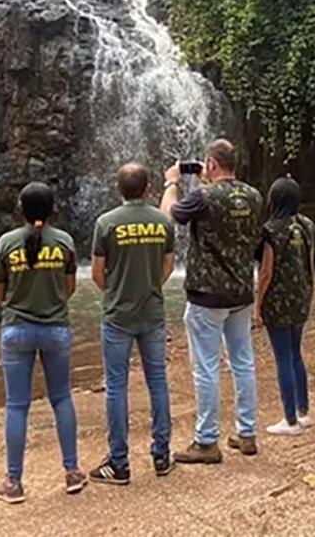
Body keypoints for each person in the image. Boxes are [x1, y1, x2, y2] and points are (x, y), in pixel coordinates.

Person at [160, 138, 264, 464]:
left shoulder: (203, 196)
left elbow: (168, 217)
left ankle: (206, 441)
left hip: (207, 295)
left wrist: (172, 182)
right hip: (241, 292)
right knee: (242, 361)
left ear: (212, 164)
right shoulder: (253, 195)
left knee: (206, 368)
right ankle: (246, 433)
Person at [0, 182, 87, 504]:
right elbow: (69, 287)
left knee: (17, 406)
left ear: (21, 209)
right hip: (55, 329)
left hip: (16, 330)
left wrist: (18, 303)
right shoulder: (64, 242)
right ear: (52, 209)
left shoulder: (6, 244)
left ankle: (14, 482)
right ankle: (72, 472)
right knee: (61, 398)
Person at [89, 163, 176, 484]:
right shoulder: (162, 221)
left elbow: (98, 274)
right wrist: (150, 286)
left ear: (118, 189)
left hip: (118, 316)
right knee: (158, 383)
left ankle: (119, 463)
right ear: (149, 188)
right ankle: (162, 456)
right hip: (152, 313)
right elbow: (168, 265)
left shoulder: (106, 223)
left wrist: (117, 292)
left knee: (116, 388)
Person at [256, 176, 315, 436]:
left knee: (283, 357)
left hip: (279, 300)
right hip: (302, 295)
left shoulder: (270, 229)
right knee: (295, 353)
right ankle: (303, 412)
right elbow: (309, 261)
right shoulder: (307, 225)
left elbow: (267, 271)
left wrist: (257, 305)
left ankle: (289, 421)